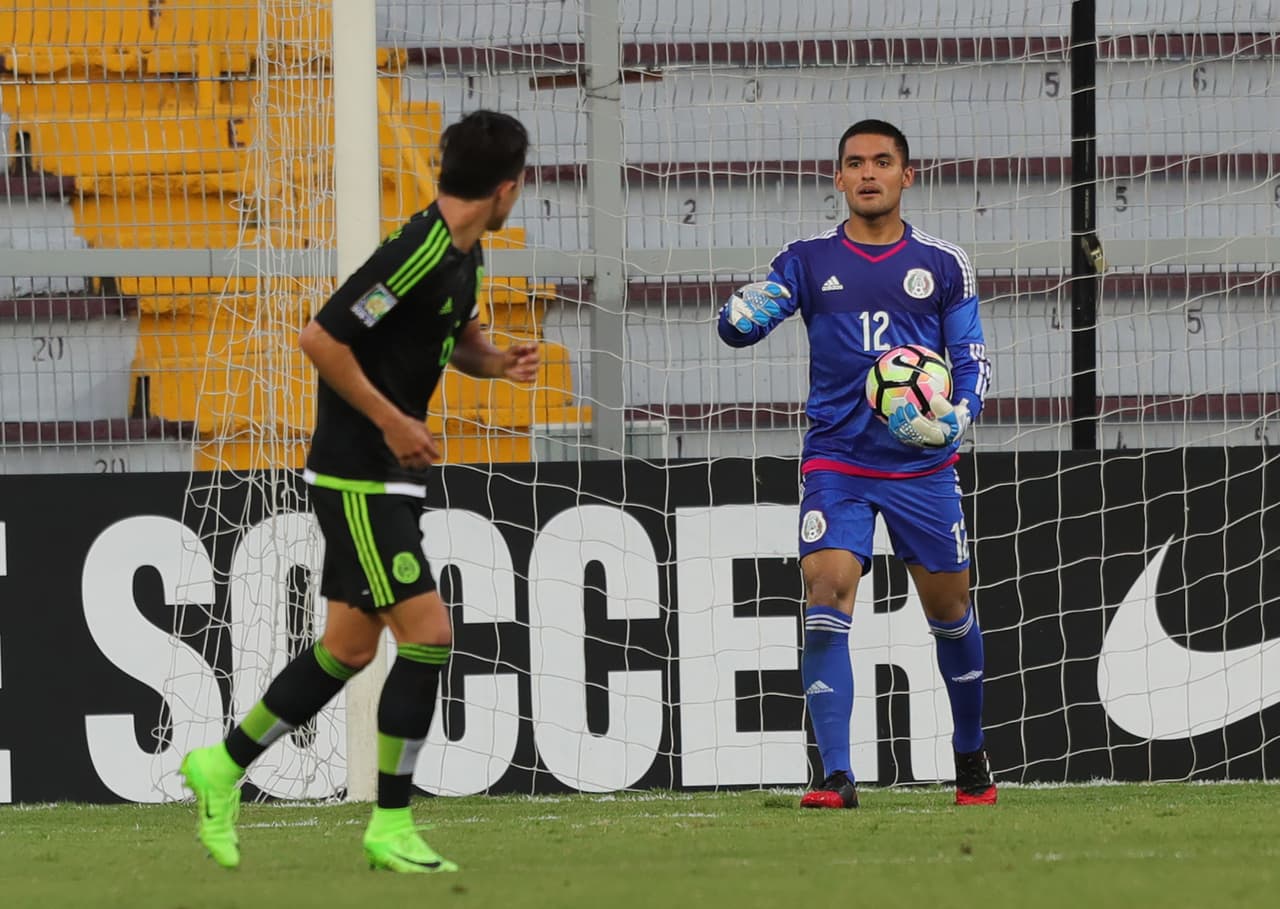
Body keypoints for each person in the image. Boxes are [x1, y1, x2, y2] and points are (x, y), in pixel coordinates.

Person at [180, 109, 540, 871]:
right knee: (431, 635)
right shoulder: (417, 251)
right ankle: (390, 822)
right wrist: (395, 420)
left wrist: (499, 361)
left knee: (347, 646)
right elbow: (322, 337)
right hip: (360, 471)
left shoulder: (462, 257)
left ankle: (220, 764)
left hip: (387, 474)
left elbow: (452, 335)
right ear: (508, 187)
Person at [717, 120, 995, 809]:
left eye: (882, 161)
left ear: (908, 174)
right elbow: (744, 324)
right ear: (837, 179)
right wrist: (738, 315)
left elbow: (971, 360)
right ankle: (836, 774)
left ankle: (970, 755)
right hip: (836, 461)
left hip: (922, 466)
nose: (868, 173)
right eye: (854, 163)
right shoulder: (807, 260)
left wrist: (954, 418)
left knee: (950, 609)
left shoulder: (945, 263)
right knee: (827, 589)